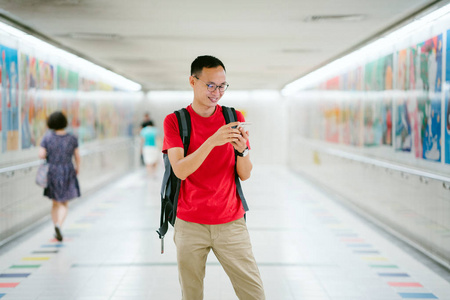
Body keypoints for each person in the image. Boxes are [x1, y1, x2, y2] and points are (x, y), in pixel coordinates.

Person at [162, 55, 265, 300]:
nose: (216, 92)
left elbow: (245, 173)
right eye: (210, 85)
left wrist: (242, 150)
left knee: (253, 293)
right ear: (192, 81)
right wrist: (212, 141)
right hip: (190, 223)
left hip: (231, 221)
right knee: (192, 294)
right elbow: (180, 170)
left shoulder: (233, 116)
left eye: (222, 86)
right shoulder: (175, 121)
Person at [38, 111, 80, 242]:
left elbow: (41, 154)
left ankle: (56, 227)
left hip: (52, 171)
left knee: (55, 202)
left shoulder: (47, 138)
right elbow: (77, 156)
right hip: (67, 169)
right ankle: (59, 226)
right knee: (64, 202)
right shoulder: (72, 138)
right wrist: (77, 168)